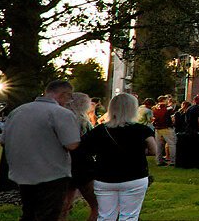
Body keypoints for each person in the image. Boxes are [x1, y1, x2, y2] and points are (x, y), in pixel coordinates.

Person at [2, 80, 83, 221]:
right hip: (52, 173)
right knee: (48, 214)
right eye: (69, 98)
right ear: (64, 94)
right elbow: (72, 145)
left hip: (22, 172)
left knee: (29, 212)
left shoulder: (18, 111)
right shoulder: (61, 113)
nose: (68, 101)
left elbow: (3, 141)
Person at [81, 93, 157, 221]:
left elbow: (84, 150)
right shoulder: (142, 130)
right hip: (135, 175)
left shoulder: (100, 130)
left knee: (105, 216)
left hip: (104, 177)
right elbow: (154, 150)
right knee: (129, 216)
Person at [62, 93, 99, 221]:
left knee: (64, 205)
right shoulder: (84, 123)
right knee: (97, 206)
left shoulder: (61, 120)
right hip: (83, 167)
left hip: (64, 165)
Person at [175, 98, 199, 168]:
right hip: (197, 131)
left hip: (188, 130)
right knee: (198, 148)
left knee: (189, 148)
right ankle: (198, 163)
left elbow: (186, 120)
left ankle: (189, 163)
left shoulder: (189, 109)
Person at [150, 96, 175, 166]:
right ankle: (173, 161)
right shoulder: (168, 108)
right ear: (164, 100)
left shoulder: (154, 108)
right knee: (172, 144)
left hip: (158, 128)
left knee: (159, 145)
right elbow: (172, 117)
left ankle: (159, 161)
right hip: (167, 127)